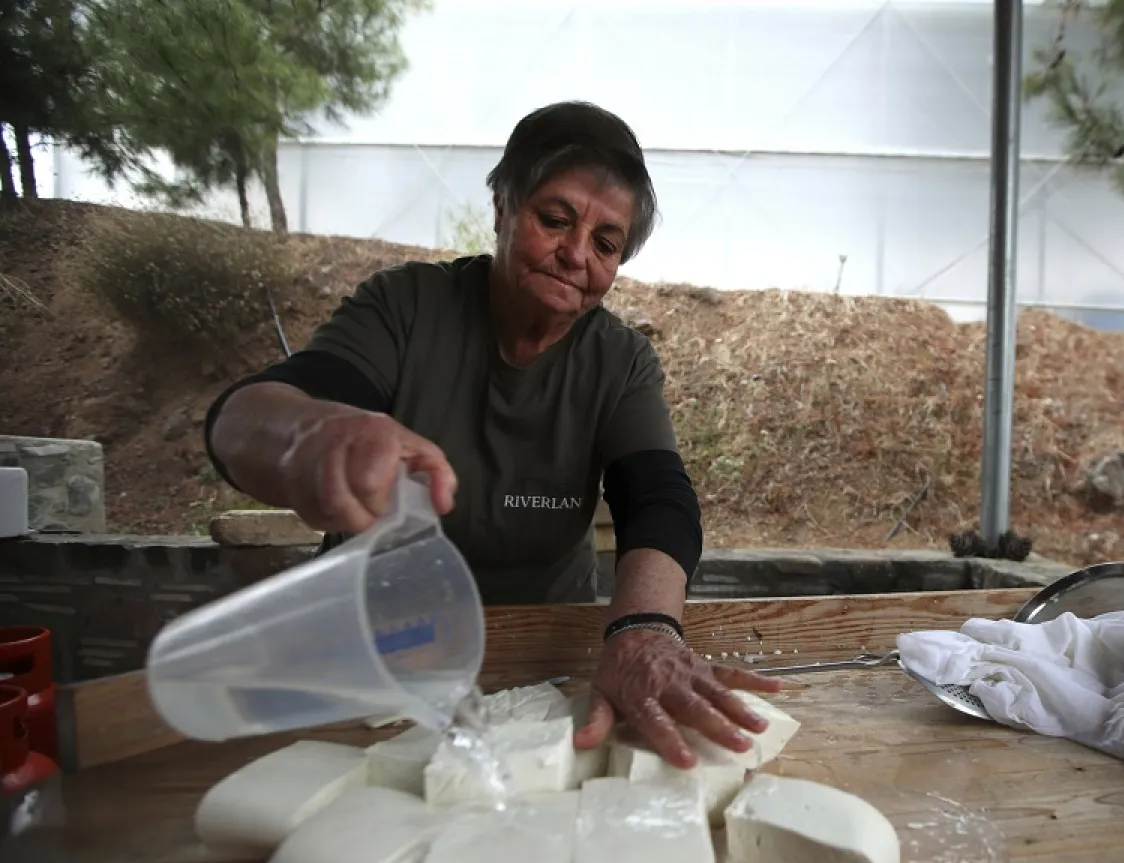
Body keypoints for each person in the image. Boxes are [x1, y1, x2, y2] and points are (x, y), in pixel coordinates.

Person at [204, 101, 779, 768]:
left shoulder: (618, 362)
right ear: (502, 204)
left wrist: (645, 628)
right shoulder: (408, 309)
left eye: (605, 243)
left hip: (541, 661)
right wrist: (313, 433)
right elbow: (250, 413)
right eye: (554, 220)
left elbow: (657, 499)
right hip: (372, 659)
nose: (574, 255)